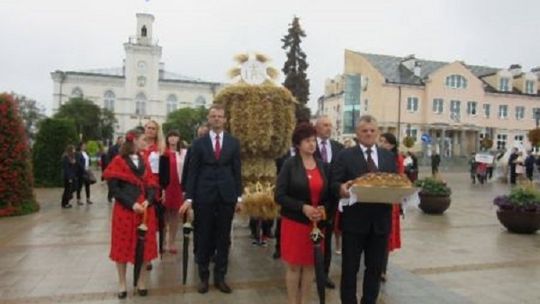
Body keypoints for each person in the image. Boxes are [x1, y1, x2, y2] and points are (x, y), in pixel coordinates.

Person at [332, 115, 397, 304]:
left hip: (380, 223)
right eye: (364, 131)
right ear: (357, 134)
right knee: (350, 269)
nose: (368, 134)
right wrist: (340, 189)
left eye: (372, 130)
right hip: (354, 223)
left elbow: (394, 181)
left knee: (375, 269)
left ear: (377, 133)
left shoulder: (387, 156)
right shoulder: (345, 155)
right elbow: (334, 182)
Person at [180, 104, 243, 294]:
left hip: (226, 196)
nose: (216, 119)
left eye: (220, 116)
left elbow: (236, 171)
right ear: (209, 119)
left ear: (225, 120)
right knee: (203, 236)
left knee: (223, 238)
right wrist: (189, 199)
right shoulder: (198, 144)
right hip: (203, 197)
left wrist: (239, 197)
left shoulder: (233, 143)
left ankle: (220, 277)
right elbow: (192, 172)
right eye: (213, 116)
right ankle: (204, 277)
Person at [275, 122, 330, 304]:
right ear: (298, 144)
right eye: (307, 141)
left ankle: (305, 301)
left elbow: (327, 194)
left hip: (316, 225)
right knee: (293, 267)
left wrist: (323, 209)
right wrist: (302, 207)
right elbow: (279, 195)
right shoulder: (289, 165)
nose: (312, 144)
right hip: (295, 223)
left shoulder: (322, 166)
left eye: (314, 140)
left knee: (310, 266)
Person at [103, 129, 159, 299]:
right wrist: (132, 203)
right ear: (134, 140)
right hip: (125, 210)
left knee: (144, 246)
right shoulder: (118, 161)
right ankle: (122, 283)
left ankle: (142, 281)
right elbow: (114, 189)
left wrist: (149, 200)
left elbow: (151, 183)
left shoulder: (144, 161)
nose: (146, 141)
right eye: (143, 139)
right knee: (122, 245)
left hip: (144, 210)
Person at [314, 116, 344, 289]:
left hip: (331, 203)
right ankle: (308, 268)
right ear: (316, 128)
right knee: (312, 237)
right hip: (312, 200)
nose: (328, 128)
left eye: (330, 125)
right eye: (324, 125)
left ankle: (323, 274)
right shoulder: (309, 146)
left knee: (326, 239)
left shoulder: (338, 148)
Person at [378, 132, 403, 282]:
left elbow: (399, 178)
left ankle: (383, 269)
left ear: (392, 145)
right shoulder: (376, 155)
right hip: (377, 197)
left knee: (386, 237)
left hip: (391, 200)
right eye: (380, 141)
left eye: (385, 142)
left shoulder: (396, 158)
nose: (381, 144)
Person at [159, 130, 187, 254]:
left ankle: (172, 241)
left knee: (175, 215)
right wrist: (162, 189)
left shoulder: (183, 153)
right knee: (164, 215)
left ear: (179, 138)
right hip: (167, 186)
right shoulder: (163, 154)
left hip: (178, 186)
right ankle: (164, 241)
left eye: (175, 136)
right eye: (170, 136)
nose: (173, 139)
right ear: (167, 139)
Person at [106, 136, 125, 202]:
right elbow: (108, 158)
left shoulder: (124, 148)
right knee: (112, 183)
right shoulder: (112, 148)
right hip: (113, 168)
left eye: (122, 141)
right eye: (120, 140)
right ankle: (110, 196)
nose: (121, 142)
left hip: (121, 169)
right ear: (117, 140)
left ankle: (118, 196)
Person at [61, 145, 78, 209]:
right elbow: (66, 169)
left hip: (72, 175)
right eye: (73, 149)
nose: (74, 150)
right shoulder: (66, 157)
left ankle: (67, 201)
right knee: (67, 190)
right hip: (68, 177)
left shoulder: (71, 157)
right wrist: (69, 178)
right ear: (70, 150)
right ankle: (64, 203)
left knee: (71, 189)